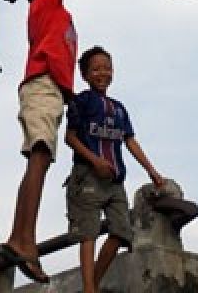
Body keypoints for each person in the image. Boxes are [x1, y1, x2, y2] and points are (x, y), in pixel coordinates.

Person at [0, 0, 80, 284]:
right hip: (41, 86)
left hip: (52, 90)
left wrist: (70, 93)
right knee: (39, 159)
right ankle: (23, 243)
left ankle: (19, 237)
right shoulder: (47, 1)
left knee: (38, 161)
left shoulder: (54, 14)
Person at [65, 46, 164, 293]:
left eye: (107, 68)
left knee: (121, 232)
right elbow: (70, 137)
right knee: (88, 232)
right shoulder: (82, 101)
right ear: (85, 75)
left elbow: (130, 141)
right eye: (96, 69)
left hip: (115, 180)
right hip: (87, 174)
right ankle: (89, 288)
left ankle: (92, 284)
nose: (103, 73)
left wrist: (152, 171)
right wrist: (94, 160)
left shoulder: (119, 108)